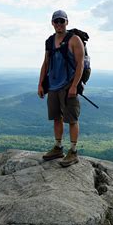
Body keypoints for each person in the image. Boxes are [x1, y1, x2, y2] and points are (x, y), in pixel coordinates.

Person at [38, 10, 84, 167]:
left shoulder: (74, 40)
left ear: (67, 22)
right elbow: (46, 63)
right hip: (53, 85)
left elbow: (80, 65)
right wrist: (41, 84)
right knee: (57, 117)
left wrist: (74, 86)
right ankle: (58, 147)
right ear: (52, 23)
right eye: (56, 21)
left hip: (68, 85)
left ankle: (73, 151)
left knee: (71, 119)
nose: (59, 24)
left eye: (61, 21)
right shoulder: (49, 41)